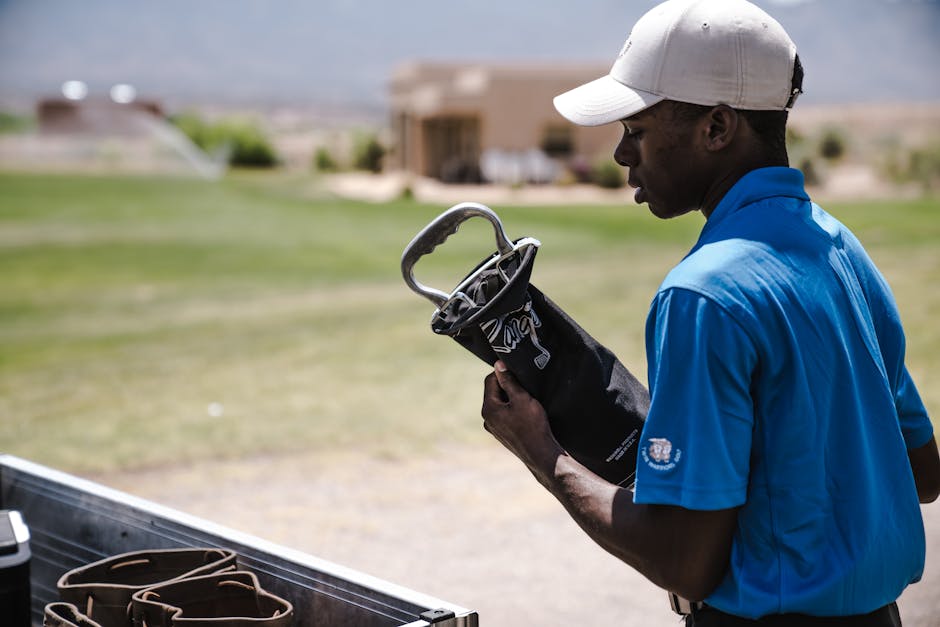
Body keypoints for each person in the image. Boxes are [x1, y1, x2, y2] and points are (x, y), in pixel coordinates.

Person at [479, 0, 940, 624]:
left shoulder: (702, 295)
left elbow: (684, 562)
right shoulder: (841, 250)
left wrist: (541, 451)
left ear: (717, 128)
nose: (621, 155)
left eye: (636, 132)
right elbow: (922, 473)